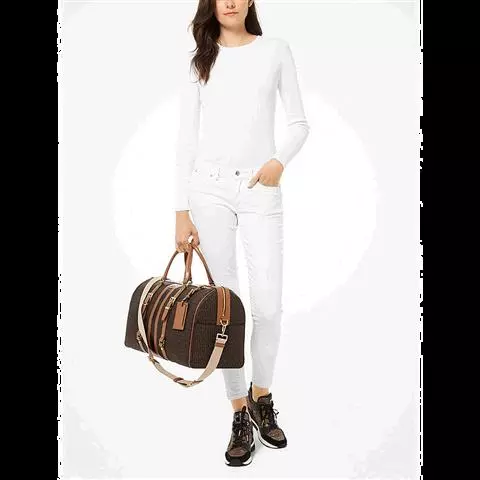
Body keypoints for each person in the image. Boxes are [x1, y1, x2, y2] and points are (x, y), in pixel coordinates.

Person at [174, 0, 310, 467]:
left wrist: (278, 162)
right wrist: (181, 211)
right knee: (225, 308)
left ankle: (261, 395)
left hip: (259, 187)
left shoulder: (275, 50)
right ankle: (237, 411)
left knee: (268, 305)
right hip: (208, 190)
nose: (229, 1)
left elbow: (299, 123)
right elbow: (186, 139)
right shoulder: (200, 59)